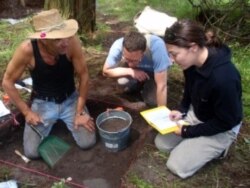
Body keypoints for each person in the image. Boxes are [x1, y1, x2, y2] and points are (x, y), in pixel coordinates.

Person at [2, 9, 96, 158]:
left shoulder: (71, 43)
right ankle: (55, 123)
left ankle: (64, 120)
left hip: (70, 98)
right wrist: (27, 112)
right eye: (57, 40)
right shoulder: (27, 50)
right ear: (43, 39)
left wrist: (80, 112)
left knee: (88, 143)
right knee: (32, 152)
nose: (65, 42)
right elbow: (7, 82)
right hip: (43, 102)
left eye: (65, 36)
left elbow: (84, 75)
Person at [154, 19, 243, 178]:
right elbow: (189, 90)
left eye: (174, 54)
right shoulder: (191, 64)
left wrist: (187, 131)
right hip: (198, 112)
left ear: (193, 47)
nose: (171, 60)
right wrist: (182, 109)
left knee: (176, 165)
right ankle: (194, 142)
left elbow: (227, 120)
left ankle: (220, 147)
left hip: (222, 126)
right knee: (161, 143)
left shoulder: (224, 78)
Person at [102, 31, 172, 107]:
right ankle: (138, 84)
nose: (130, 64)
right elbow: (105, 71)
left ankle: (149, 84)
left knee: (153, 101)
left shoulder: (157, 47)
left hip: (154, 72)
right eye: (127, 59)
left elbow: (161, 85)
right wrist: (130, 71)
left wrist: (161, 113)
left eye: (134, 60)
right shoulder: (118, 46)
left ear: (143, 52)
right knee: (122, 84)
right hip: (134, 70)